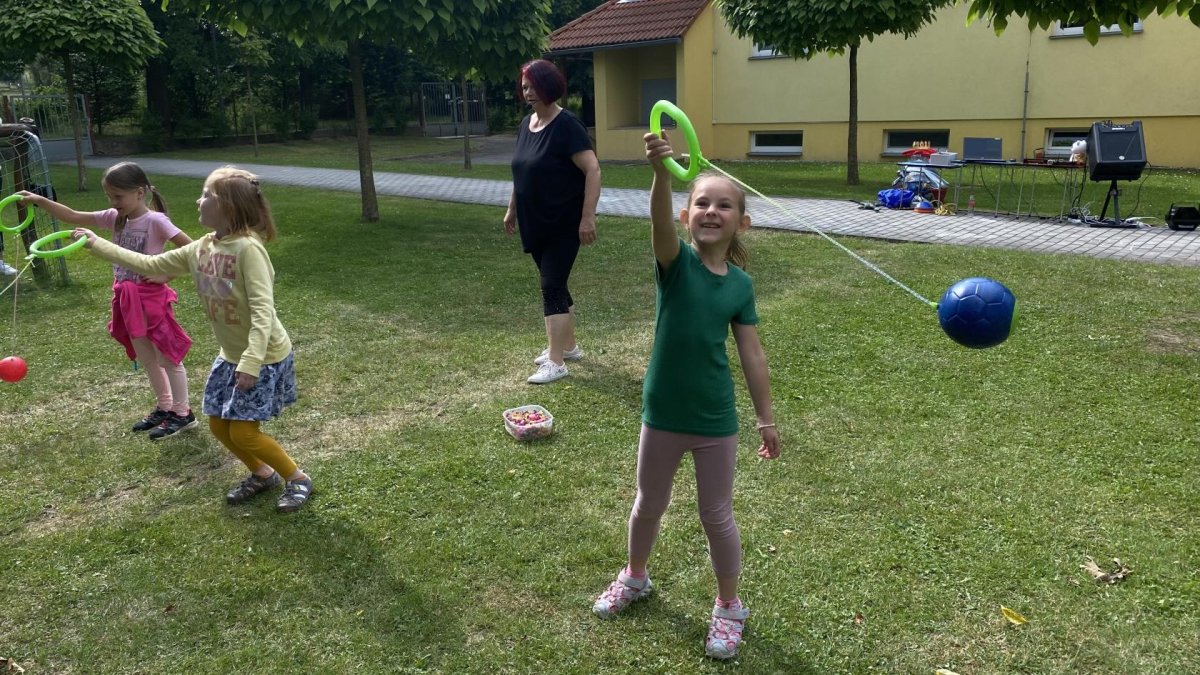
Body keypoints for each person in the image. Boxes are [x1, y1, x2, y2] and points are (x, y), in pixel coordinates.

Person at [591, 132, 782, 660]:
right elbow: (657, 225)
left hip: (715, 419)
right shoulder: (676, 265)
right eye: (701, 203)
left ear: (742, 222)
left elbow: (752, 355)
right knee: (648, 503)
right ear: (685, 216)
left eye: (724, 205)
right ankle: (635, 577)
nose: (711, 211)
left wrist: (766, 419)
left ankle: (729, 607)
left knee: (716, 514)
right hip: (662, 414)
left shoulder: (740, 285)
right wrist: (660, 173)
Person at [71, 166, 313, 513]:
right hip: (231, 354)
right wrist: (98, 244)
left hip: (263, 356)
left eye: (206, 195)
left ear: (227, 206)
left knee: (244, 433)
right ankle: (263, 474)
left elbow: (263, 312)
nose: (198, 201)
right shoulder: (202, 247)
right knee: (218, 425)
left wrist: (251, 362)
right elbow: (150, 264)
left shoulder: (248, 249)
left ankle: (297, 478)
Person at [19, 162, 196, 440]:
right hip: (127, 298)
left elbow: (193, 250)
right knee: (147, 357)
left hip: (151, 299)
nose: (113, 202)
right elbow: (73, 215)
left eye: (118, 196)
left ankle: (183, 413)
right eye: (109, 196)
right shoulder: (115, 217)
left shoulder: (156, 221)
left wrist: (167, 275)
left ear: (139, 193)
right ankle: (165, 407)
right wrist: (39, 200)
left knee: (167, 357)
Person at [504, 58, 601, 384]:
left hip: (563, 222)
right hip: (535, 221)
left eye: (533, 86)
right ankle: (568, 347)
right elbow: (522, 171)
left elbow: (593, 169)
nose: (527, 92)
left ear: (549, 86)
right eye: (524, 86)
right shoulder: (526, 124)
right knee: (556, 283)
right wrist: (512, 208)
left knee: (552, 286)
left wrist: (587, 217)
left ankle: (556, 361)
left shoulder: (567, 125)